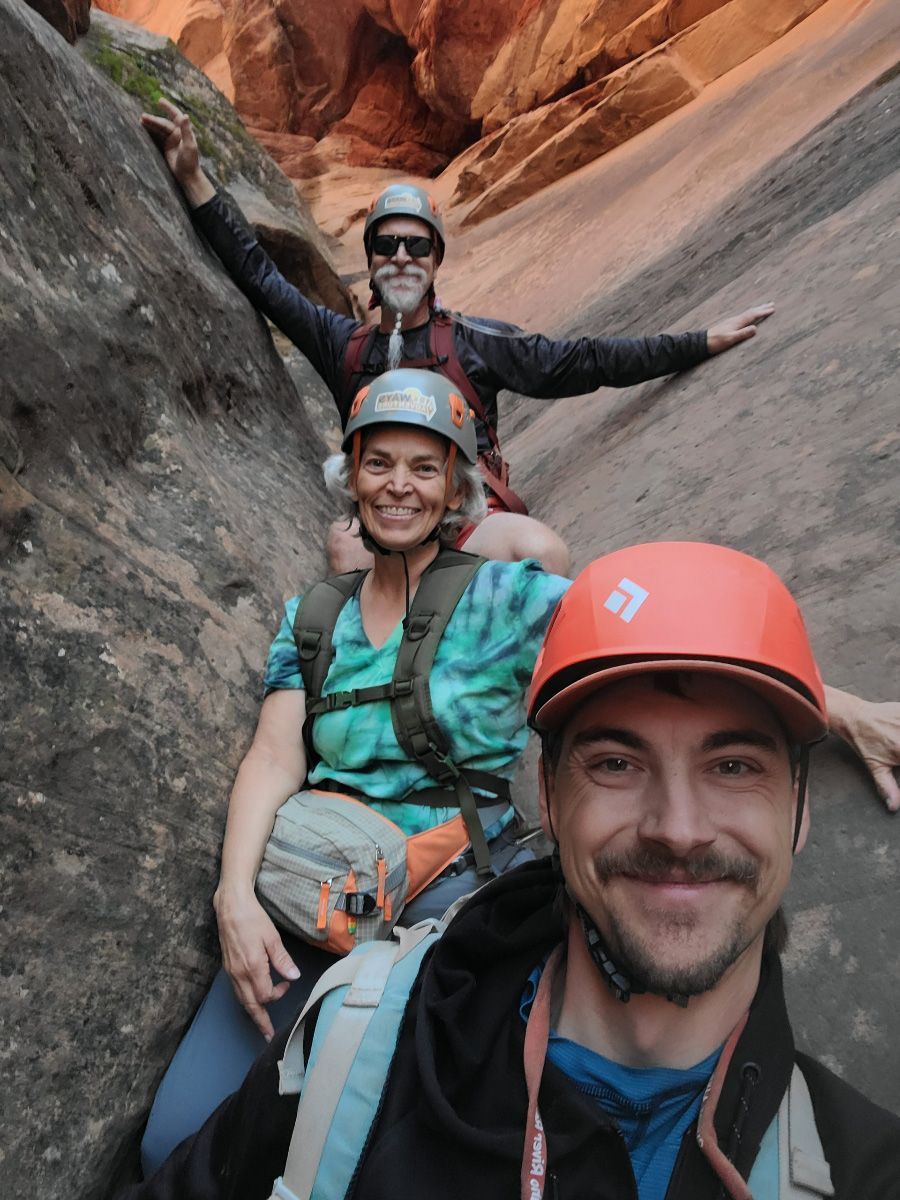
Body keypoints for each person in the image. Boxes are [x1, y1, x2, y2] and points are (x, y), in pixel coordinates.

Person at [123, 542, 900, 1200]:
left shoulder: (863, 1164)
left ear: (800, 810)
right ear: (552, 802)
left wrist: (847, 709)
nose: (679, 830)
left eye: (734, 765)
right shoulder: (360, 1047)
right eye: (617, 762)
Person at [138, 369, 572, 1175]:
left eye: (424, 466)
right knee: (175, 1137)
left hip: (449, 893)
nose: (398, 487)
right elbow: (274, 755)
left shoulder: (509, 599)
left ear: (456, 487)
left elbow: (644, 651)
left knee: (378, 1139)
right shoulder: (314, 614)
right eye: (380, 464)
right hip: (320, 886)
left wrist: (830, 707)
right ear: (352, 476)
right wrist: (235, 897)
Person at [140, 98, 775, 577]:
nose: (401, 257)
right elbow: (261, 278)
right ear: (372, 259)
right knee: (345, 555)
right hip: (385, 522)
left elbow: (582, 363)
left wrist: (696, 341)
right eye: (385, 245)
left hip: (468, 519)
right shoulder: (343, 345)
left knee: (541, 553)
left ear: (436, 261)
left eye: (417, 245)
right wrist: (195, 180)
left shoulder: (475, 343)